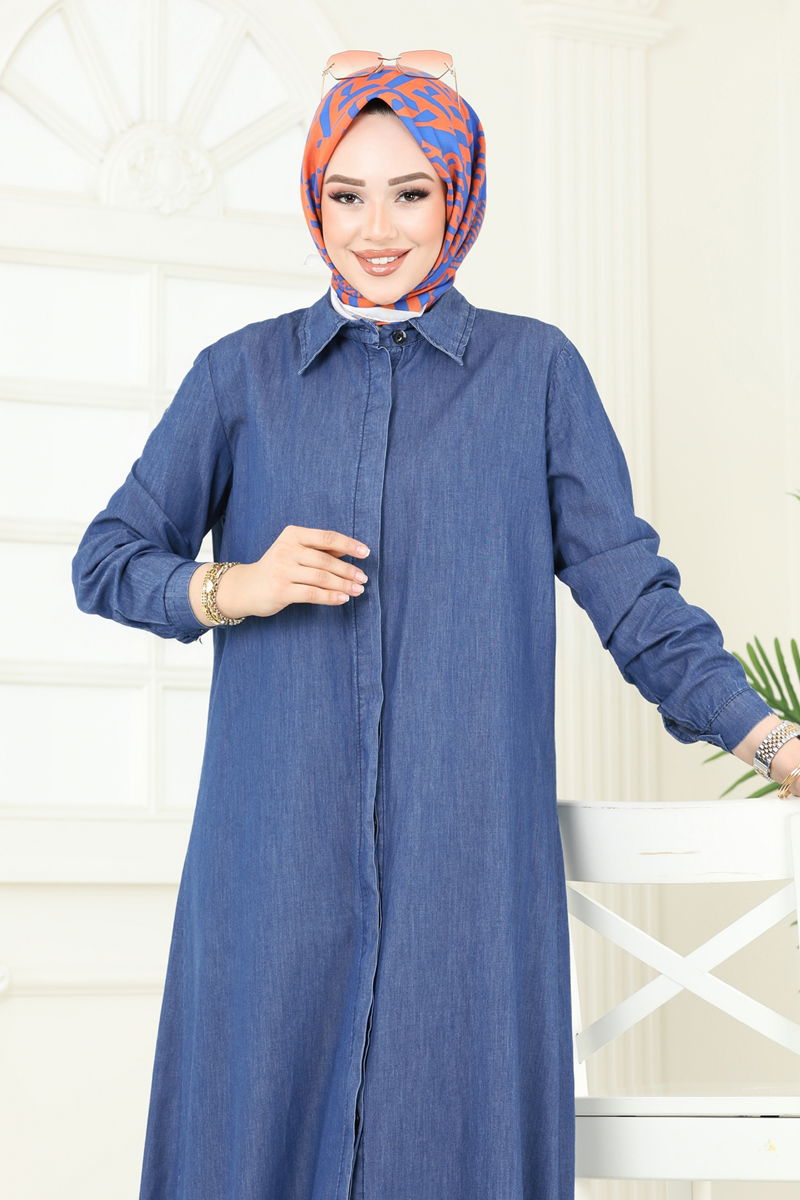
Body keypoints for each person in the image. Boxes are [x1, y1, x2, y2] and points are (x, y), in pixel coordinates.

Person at [71, 55, 800, 1200]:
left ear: (457, 197)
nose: (375, 229)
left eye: (409, 193)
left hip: (465, 865)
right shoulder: (240, 377)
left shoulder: (534, 374)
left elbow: (629, 595)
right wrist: (233, 586)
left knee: (450, 1142)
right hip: (272, 861)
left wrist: (768, 740)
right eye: (346, 195)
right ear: (313, 199)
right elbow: (107, 560)